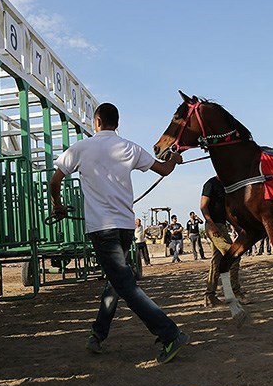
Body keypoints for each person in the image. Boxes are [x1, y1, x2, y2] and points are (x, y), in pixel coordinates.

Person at [49, 102, 190, 364]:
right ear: (117, 122)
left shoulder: (81, 147)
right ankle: (98, 334)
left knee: (125, 284)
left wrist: (58, 207)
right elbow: (164, 169)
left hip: (102, 229)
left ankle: (170, 334)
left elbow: (55, 180)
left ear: (98, 121)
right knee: (117, 281)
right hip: (126, 227)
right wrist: (174, 158)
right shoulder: (129, 147)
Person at [201, 175, 249, 306]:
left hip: (222, 227)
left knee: (216, 262)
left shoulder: (225, 187)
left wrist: (237, 228)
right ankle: (236, 293)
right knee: (234, 256)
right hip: (214, 227)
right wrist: (211, 224)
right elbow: (203, 206)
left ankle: (209, 296)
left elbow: (226, 214)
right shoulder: (210, 184)